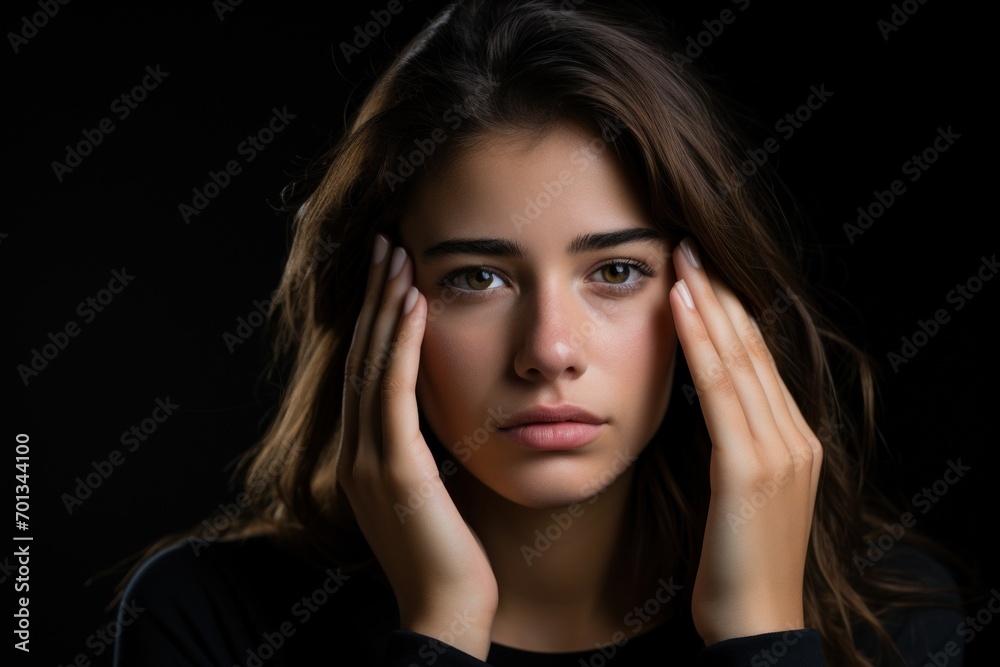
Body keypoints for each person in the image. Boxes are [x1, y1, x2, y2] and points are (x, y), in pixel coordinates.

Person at [112, 1, 967, 665]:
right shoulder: (206, 617)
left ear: (718, 300)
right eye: (476, 278)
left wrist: (764, 638)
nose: (550, 349)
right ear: (374, 306)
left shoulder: (895, 620)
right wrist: (443, 625)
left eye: (617, 271)